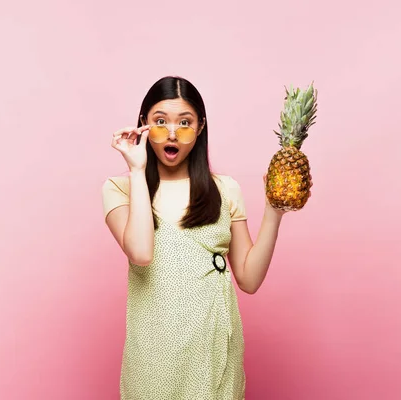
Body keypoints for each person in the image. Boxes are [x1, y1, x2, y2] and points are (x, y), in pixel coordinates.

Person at [101, 76, 287, 399]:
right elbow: (142, 252)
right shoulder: (120, 190)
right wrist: (136, 169)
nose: (172, 134)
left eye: (184, 123)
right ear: (143, 124)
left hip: (212, 350)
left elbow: (249, 278)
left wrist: (274, 210)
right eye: (160, 122)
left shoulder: (224, 189)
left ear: (200, 127)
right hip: (153, 358)